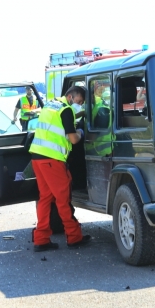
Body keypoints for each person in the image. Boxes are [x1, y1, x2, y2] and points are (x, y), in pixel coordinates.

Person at [28, 85, 91, 252]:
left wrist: (80, 115)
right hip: (52, 160)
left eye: (82, 103)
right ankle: (74, 237)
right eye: (79, 101)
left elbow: (59, 123)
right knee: (63, 199)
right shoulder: (66, 110)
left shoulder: (51, 105)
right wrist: (80, 132)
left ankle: (41, 239)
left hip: (37, 157)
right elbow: (73, 139)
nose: (79, 104)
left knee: (45, 198)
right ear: (70, 97)